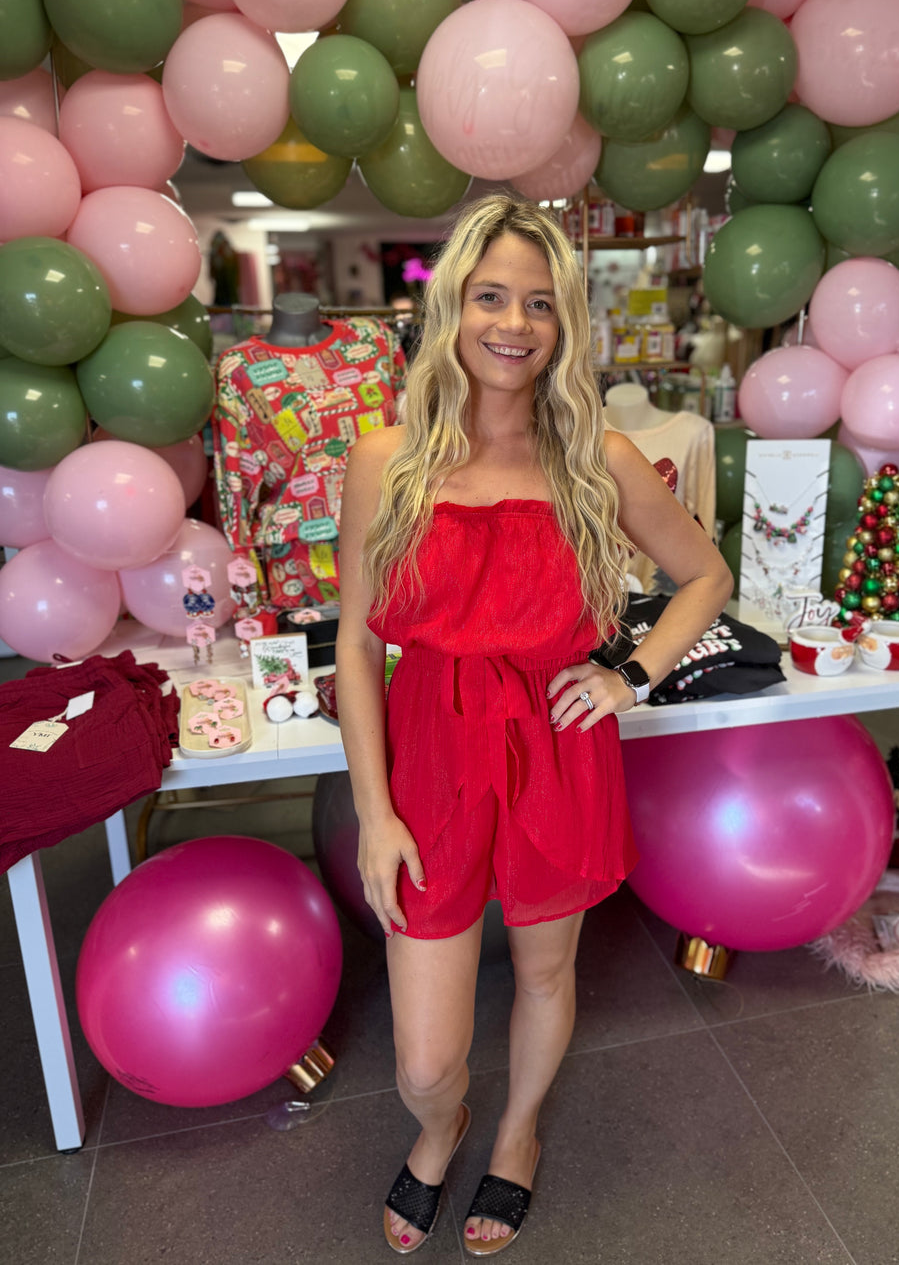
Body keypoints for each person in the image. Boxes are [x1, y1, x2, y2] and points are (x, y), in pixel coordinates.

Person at [335, 195, 732, 1256]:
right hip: (428, 754)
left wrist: (629, 675)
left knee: (548, 971)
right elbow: (357, 650)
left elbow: (704, 576)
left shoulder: (595, 457)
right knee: (424, 1055)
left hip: (558, 743)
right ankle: (441, 1126)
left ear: (566, 328)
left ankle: (514, 1136)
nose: (514, 323)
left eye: (541, 305)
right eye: (491, 297)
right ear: (452, 310)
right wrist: (375, 815)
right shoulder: (385, 461)